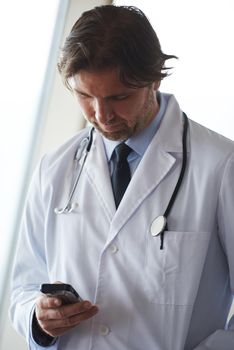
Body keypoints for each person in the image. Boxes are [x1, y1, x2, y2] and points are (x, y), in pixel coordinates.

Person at [10, 4, 234, 350]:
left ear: (154, 79)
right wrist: (39, 320)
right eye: (84, 95)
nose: (101, 115)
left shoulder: (221, 166)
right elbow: (23, 287)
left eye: (119, 97)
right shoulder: (55, 168)